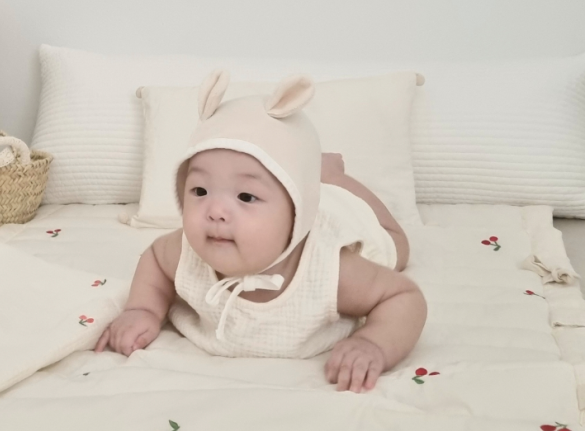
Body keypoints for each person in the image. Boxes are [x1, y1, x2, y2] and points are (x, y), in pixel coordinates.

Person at [96, 70, 427, 393]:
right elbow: (155, 259)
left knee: (397, 247)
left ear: (297, 210)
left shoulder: (331, 268)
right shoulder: (185, 252)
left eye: (245, 196)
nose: (215, 211)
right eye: (200, 190)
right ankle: (310, 176)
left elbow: (403, 297)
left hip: (341, 212)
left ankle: (330, 176)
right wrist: (142, 309)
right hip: (302, 196)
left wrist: (374, 343)